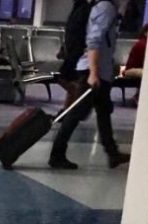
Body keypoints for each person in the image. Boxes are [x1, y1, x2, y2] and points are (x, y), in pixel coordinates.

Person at [49, 0, 130, 171]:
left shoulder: (105, 8)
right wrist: (93, 73)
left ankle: (112, 153)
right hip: (93, 72)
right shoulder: (105, 8)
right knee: (75, 114)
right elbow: (93, 41)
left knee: (104, 112)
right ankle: (57, 154)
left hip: (101, 71)